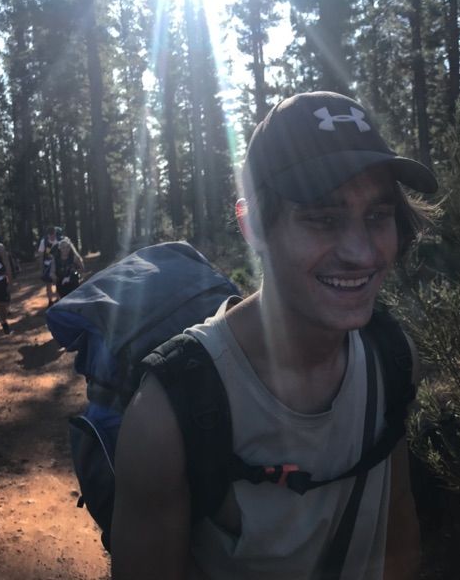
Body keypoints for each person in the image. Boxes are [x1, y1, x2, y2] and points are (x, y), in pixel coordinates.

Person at [111, 91, 438, 579]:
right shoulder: (167, 414)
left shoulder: (392, 358)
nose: (361, 252)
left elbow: (397, 527)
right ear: (254, 227)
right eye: (323, 219)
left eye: (377, 216)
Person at [38, 225, 60, 307]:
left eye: (54, 235)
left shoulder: (59, 240)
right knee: (48, 284)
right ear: (48, 235)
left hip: (58, 264)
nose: (52, 237)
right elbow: (41, 256)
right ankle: (50, 301)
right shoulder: (44, 242)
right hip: (47, 265)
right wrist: (41, 269)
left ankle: (58, 298)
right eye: (51, 235)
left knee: (58, 282)